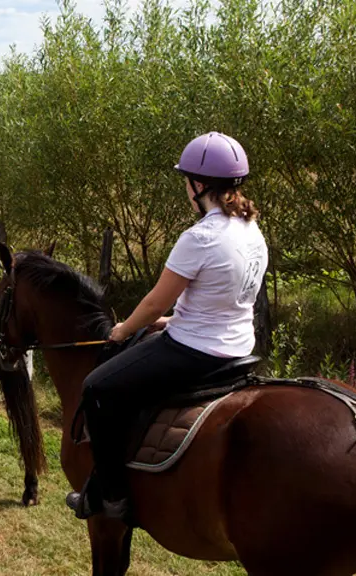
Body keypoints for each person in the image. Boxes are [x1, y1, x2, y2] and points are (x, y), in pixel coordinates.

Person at [65, 132, 269, 521]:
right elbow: (228, 299)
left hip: (195, 351)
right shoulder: (252, 231)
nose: (185, 189)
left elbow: (156, 300)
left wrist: (123, 330)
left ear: (198, 185)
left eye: (186, 182)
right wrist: (171, 319)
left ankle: (111, 498)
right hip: (239, 346)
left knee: (96, 389)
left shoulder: (200, 237)